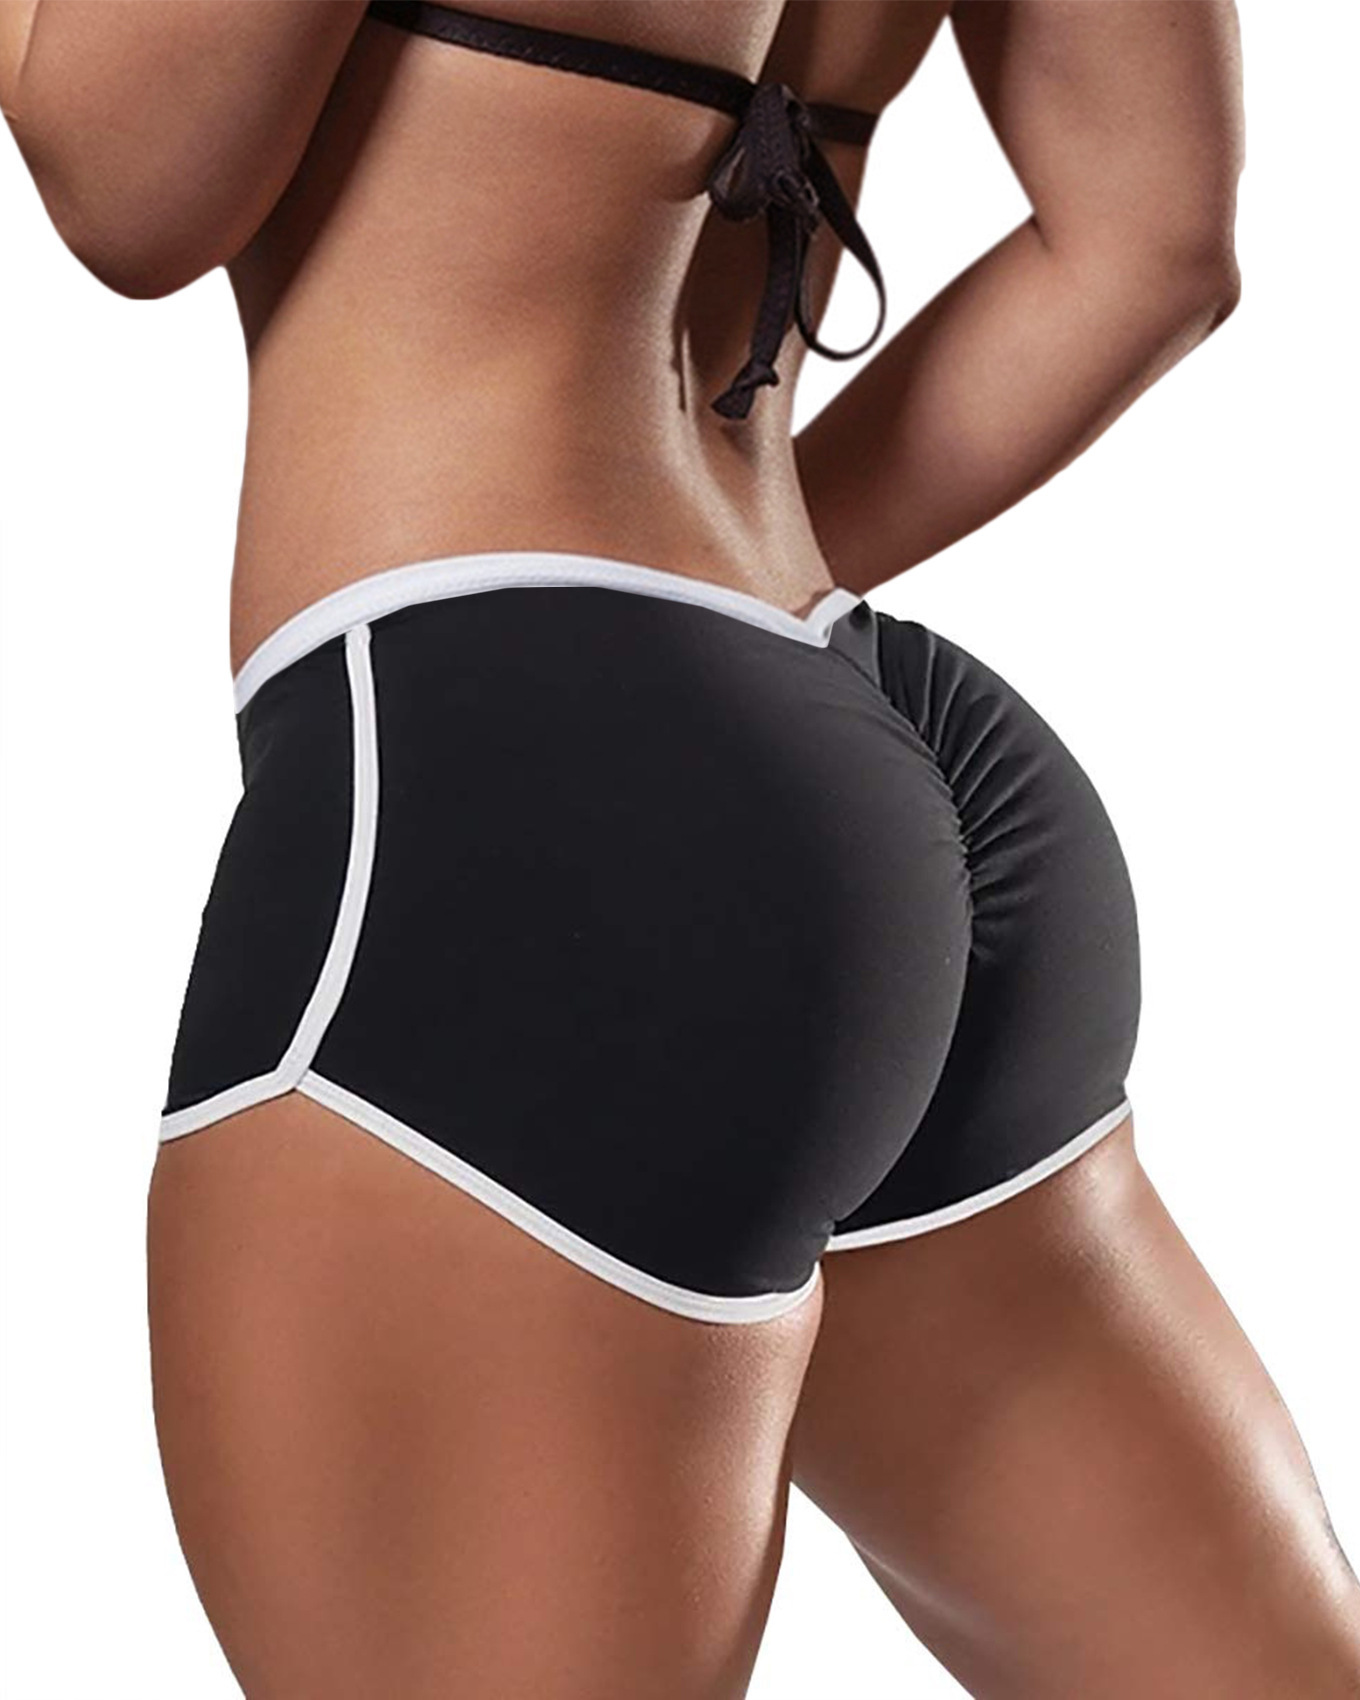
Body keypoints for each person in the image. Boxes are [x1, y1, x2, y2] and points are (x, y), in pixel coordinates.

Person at [2, 2, 1356, 1695]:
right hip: (852, 720)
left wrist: (631, 696)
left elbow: (128, 187)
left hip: (523, 799)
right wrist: (713, 662)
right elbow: (1152, 250)